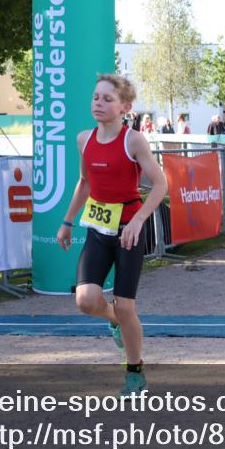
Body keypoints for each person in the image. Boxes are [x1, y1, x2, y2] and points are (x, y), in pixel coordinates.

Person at [57, 74, 168, 396]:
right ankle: (114, 320)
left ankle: (135, 372)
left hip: (128, 231)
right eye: (96, 97)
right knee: (86, 299)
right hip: (98, 228)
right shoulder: (84, 139)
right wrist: (67, 221)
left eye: (108, 99)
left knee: (126, 307)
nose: (99, 104)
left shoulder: (134, 141)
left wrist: (139, 221)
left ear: (124, 107)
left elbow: (160, 184)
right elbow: (85, 183)